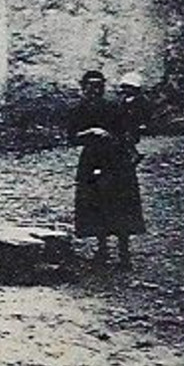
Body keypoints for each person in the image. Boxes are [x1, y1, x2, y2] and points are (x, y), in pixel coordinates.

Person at [66, 69, 145, 266]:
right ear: (83, 87)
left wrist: (112, 137)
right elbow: (72, 138)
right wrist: (90, 132)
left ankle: (124, 252)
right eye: (90, 86)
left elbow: (131, 135)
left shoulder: (115, 107)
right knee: (95, 202)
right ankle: (102, 249)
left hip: (116, 160)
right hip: (92, 158)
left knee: (121, 203)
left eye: (99, 86)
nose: (95, 90)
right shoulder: (78, 109)